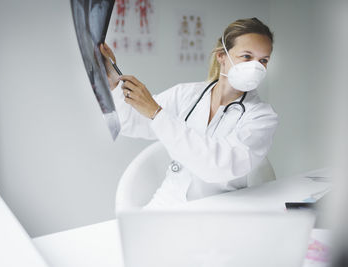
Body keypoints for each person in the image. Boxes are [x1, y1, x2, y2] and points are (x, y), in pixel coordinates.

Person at [100, 17, 278, 209]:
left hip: (216, 211)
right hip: (165, 202)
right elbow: (130, 122)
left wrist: (157, 113)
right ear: (222, 56)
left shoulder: (262, 117)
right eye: (247, 56)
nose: (255, 67)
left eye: (263, 60)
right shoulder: (186, 94)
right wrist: (113, 85)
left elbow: (217, 166)